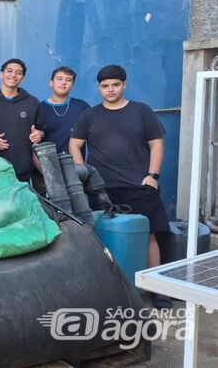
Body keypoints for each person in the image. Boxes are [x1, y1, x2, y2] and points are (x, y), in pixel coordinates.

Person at [69, 64, 172, 309]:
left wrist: (152, 176)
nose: (110, 89)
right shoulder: (90, 115)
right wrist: (83, 173)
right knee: (98, 238)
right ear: (99, 88)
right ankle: (108, 290)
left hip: (139, 185)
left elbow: (157, 143)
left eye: (115, 85)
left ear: (124, 85)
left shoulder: (141, 111)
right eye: (105, 86)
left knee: (149, 235)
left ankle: (157, 290)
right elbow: (74, 144)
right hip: (100, 188)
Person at [0, 58, 44, 182]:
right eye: (9, 71)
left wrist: (38, 134)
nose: (13, 75)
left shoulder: (32, 102)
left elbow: (41, 130)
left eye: (18, 72)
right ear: (1, 74)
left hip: (23, 171)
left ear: (22, 78)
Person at [40, 66, 90, 154]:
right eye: (59, 79)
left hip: (76, 164)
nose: (63, 82)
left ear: (72, 86)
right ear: (51, 83)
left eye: (68, 80)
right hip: (48, 164)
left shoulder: (82, 106)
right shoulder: (39, 108)